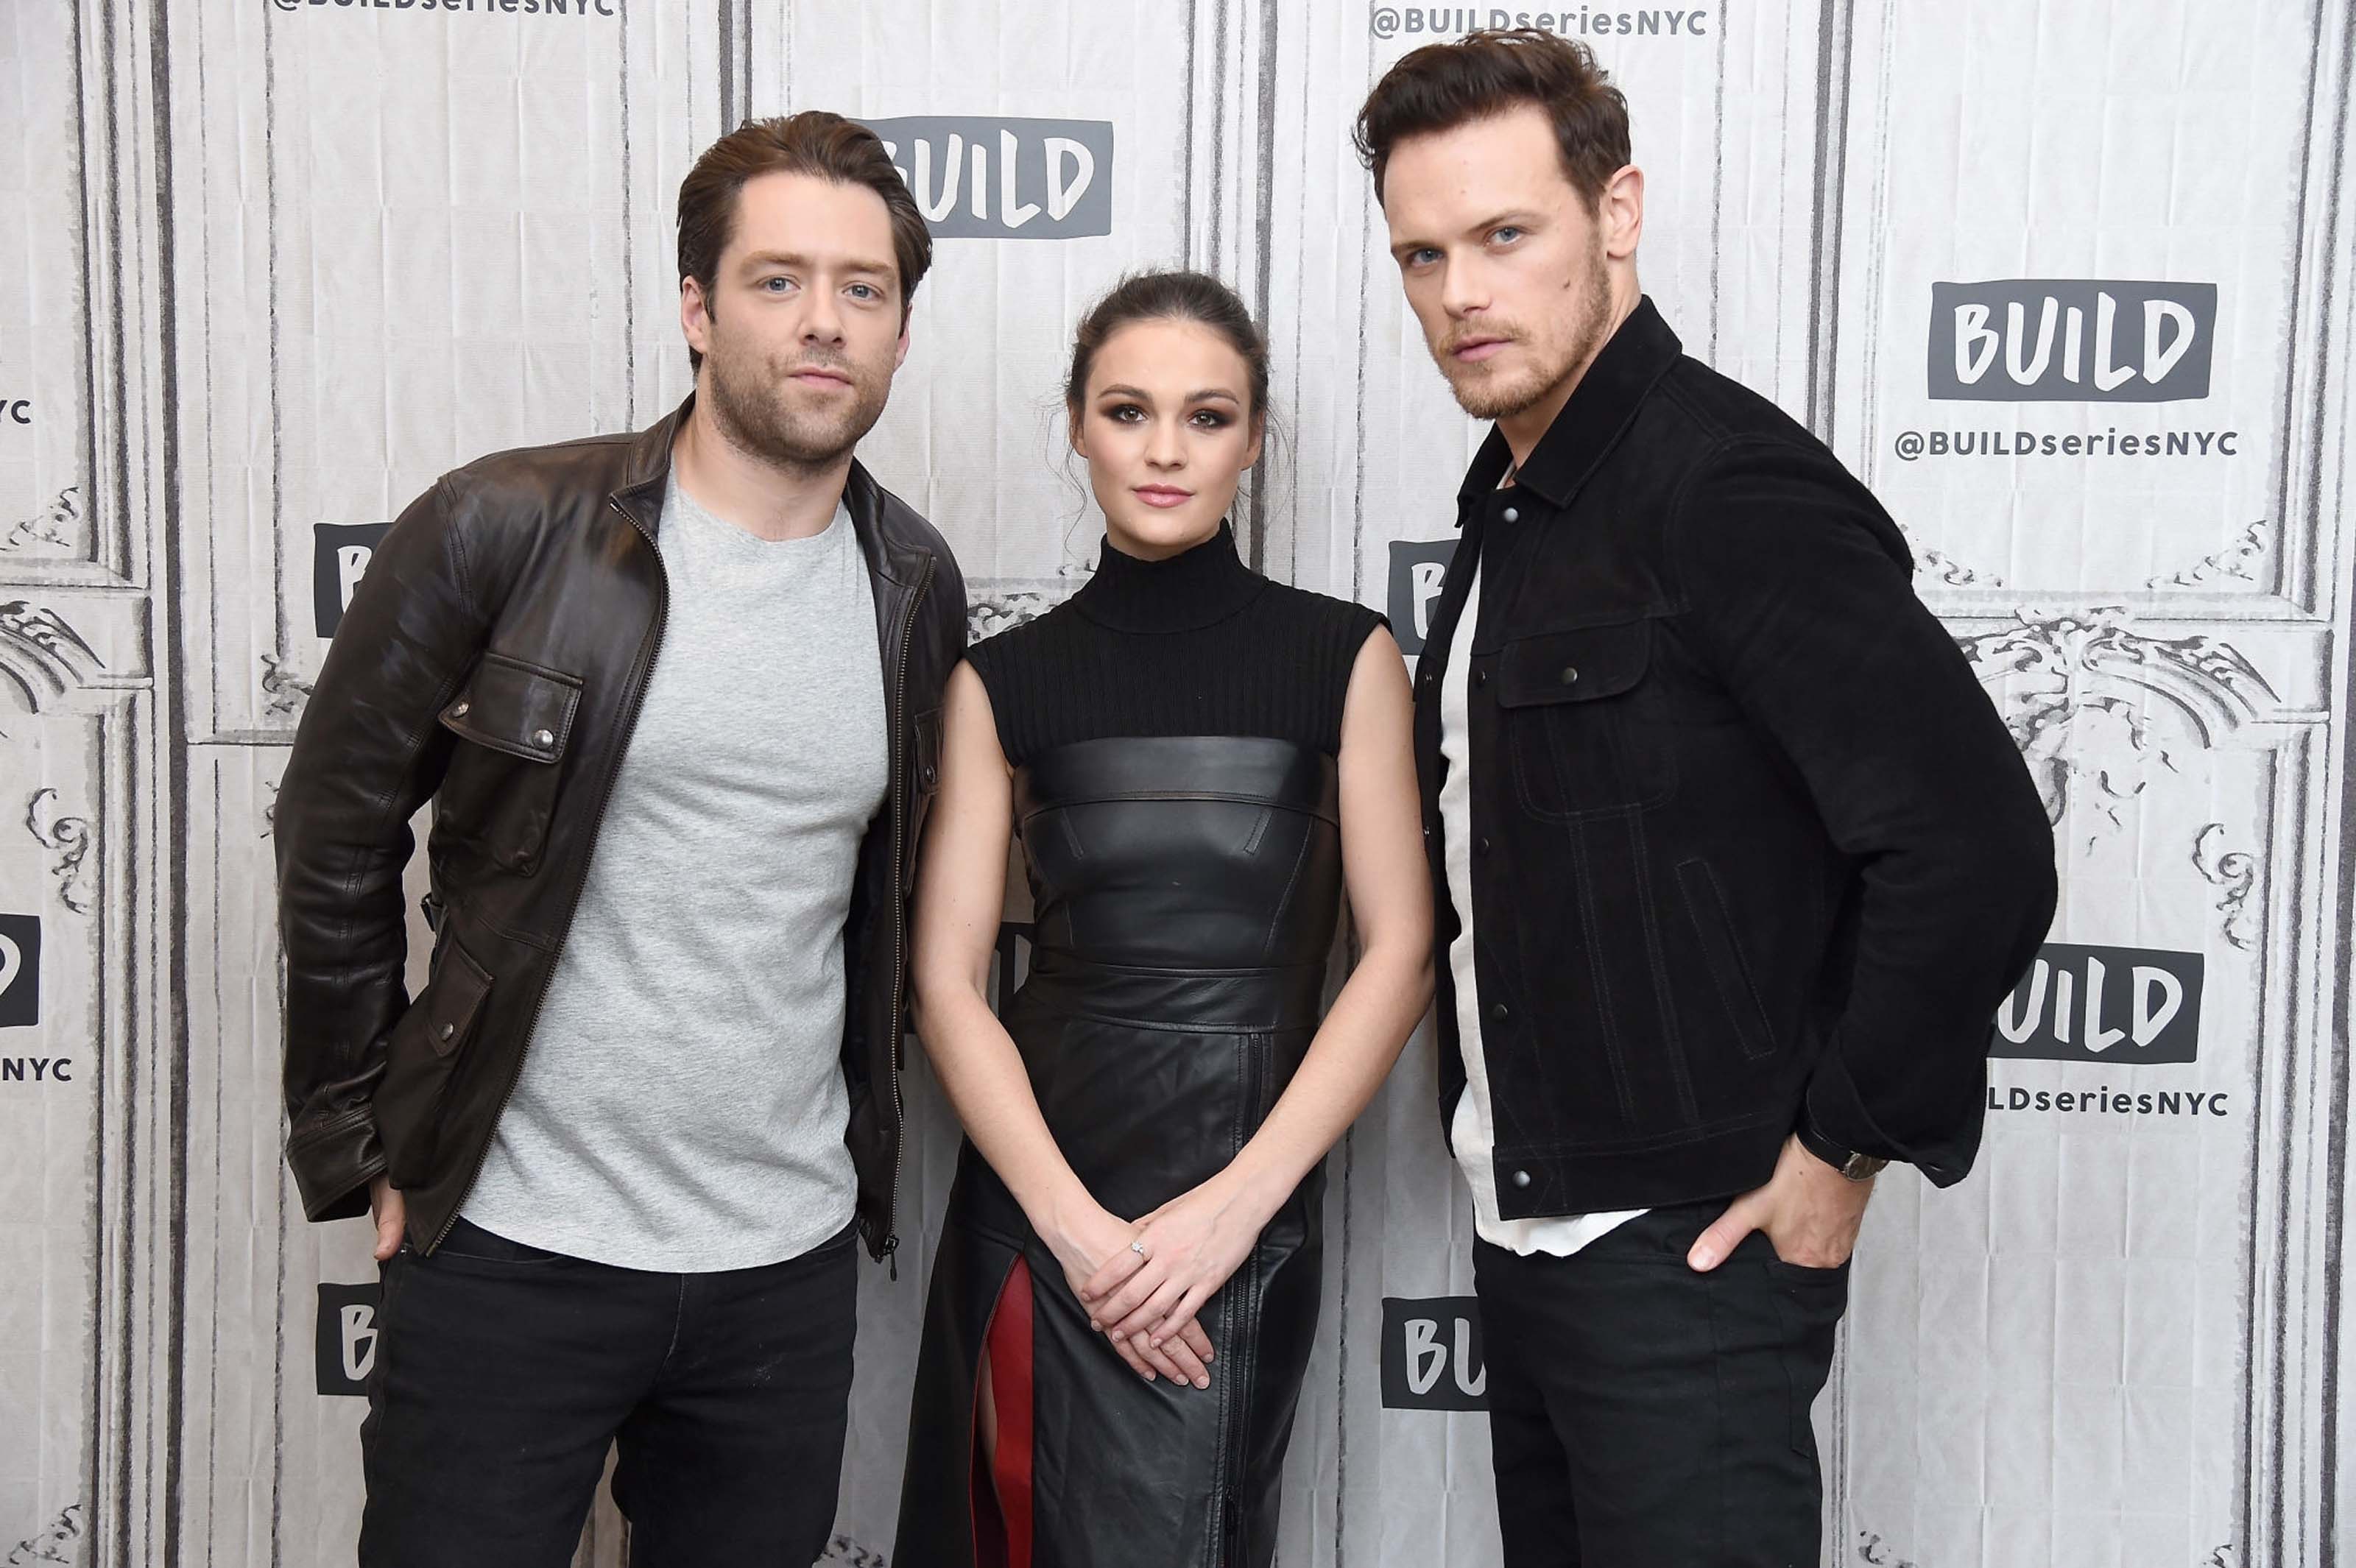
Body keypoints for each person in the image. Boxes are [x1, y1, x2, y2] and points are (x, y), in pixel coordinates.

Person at [1354, 30, 2058, 1567]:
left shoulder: (1723, 486)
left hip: (1694, 1257)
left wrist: (1841, 1155)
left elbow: (1975, 849)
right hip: (1531, 1240)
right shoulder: (1516, 507)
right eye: (1421, 253)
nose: (1459, 291)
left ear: (1617, 215)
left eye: (1503, 235)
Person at [272, 110, 967, 1567]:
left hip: (779, 1269)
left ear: (902, 329)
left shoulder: (912, 583)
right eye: (777, 282)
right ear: (698, 311)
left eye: (864, 288)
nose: (823, 324)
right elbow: (335, 832)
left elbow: (880, 910)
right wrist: (361, 1140)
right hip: (510, 1248)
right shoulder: (502, 527)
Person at [892, 270, 1433, 1568]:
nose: (1165, 450)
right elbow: (948, 983)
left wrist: (1238, 1208)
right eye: (1129, 411)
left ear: (1253, 439)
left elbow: (1401, 951)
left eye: (1207, 416)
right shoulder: (1003, 680)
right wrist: (1077, 1233)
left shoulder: (1344, 657)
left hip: (1239, 1207)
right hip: (1039, 1205)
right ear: (1077, 423)